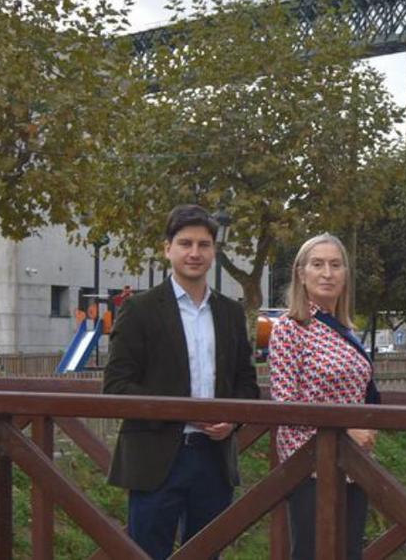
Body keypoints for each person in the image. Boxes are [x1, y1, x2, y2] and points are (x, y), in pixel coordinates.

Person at [103, 204, 260, 559]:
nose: (194, 253)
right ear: (167, 249)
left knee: (208, 553)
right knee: (146, 553)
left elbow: (246, 385)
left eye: (204, 245)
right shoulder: (140, 309)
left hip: (214, 459)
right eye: (185, 243)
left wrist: (233, 419)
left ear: (214, 252)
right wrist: (183, 413)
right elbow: (116, 386)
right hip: (156, 458)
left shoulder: (231, 313)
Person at [269, 233, 380, 560]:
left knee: (348, 552)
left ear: (345, 275)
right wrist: (344, 433)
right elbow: (286, 406)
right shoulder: (290, 328)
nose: (327, 273)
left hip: (355, 463)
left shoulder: (347, 329)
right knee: (312, 551)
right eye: (317, 265)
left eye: (335, 265)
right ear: (301, 274)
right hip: (310, 464)